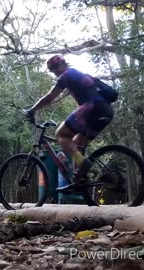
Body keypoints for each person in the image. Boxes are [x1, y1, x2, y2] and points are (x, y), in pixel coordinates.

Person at [24, 55, 114, 192]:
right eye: (52, 71)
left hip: (92, 107)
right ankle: (80, 180)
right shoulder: (79, 74)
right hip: (106, 110)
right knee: (77, 144)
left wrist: (31, 111)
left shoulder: (67, 75)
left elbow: (49, 98)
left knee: (61, 135)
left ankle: (83, 162)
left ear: (61, 65)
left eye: (54, 69)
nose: (55, 73)